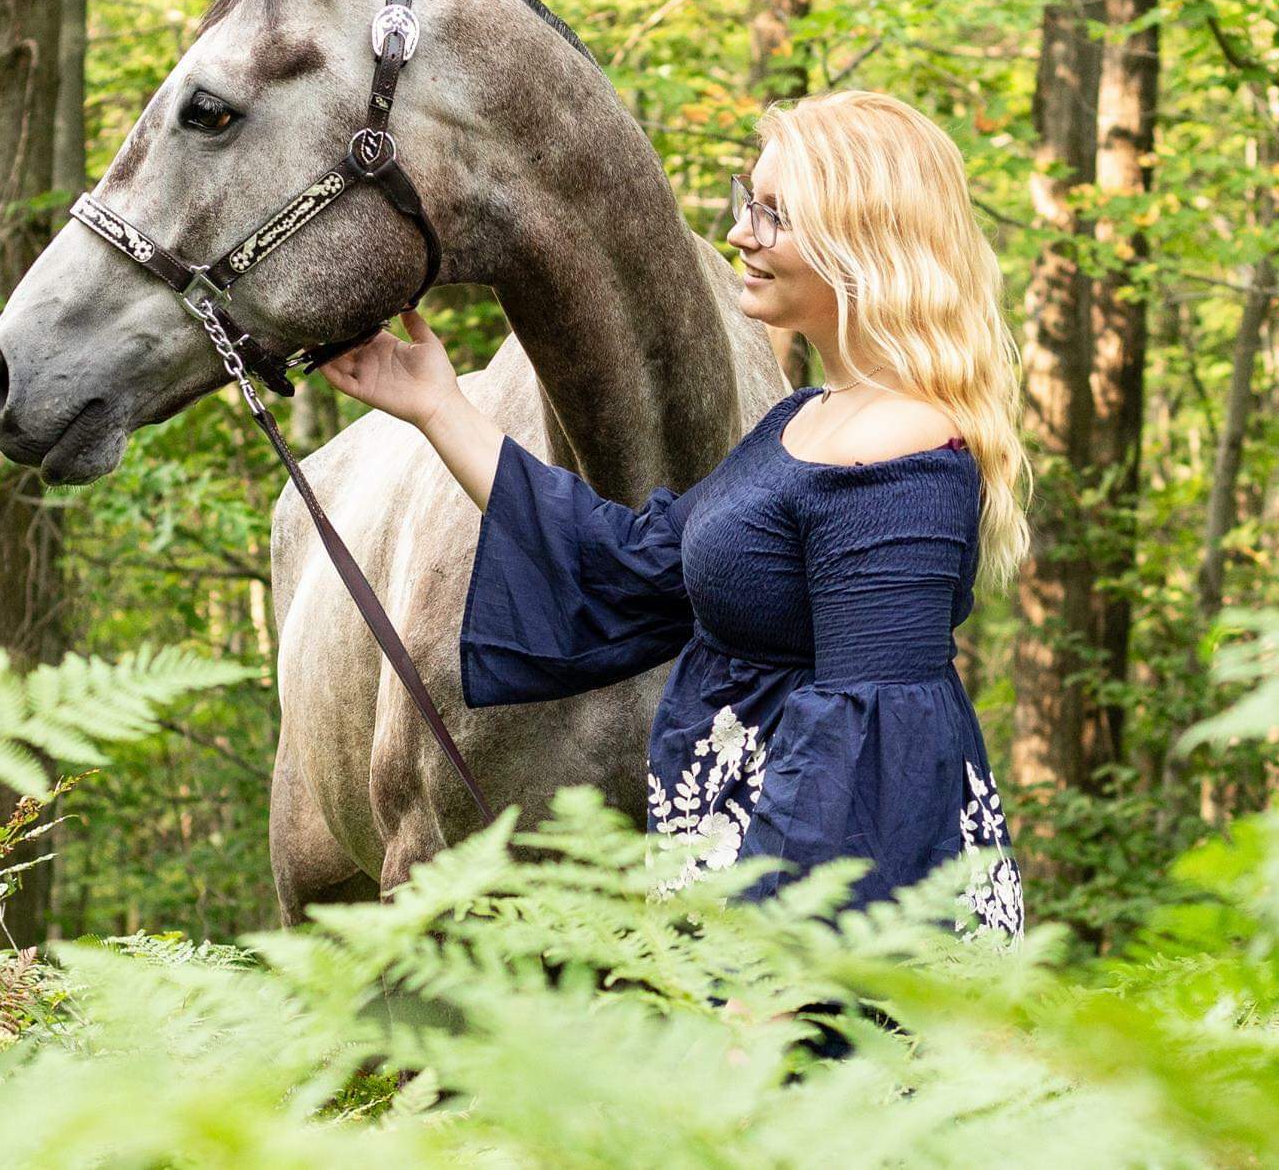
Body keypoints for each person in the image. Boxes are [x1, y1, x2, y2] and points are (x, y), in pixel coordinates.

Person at [318, 89, 1029, 944]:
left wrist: (765, 978)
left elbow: (864, 740)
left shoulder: (897, 449)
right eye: (748, 200)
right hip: (750, 908)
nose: (739, 233)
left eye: (774, 213)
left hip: (826, 938)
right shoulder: (806, 420)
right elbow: (636, 562)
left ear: (863, 238)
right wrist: (439, 406)